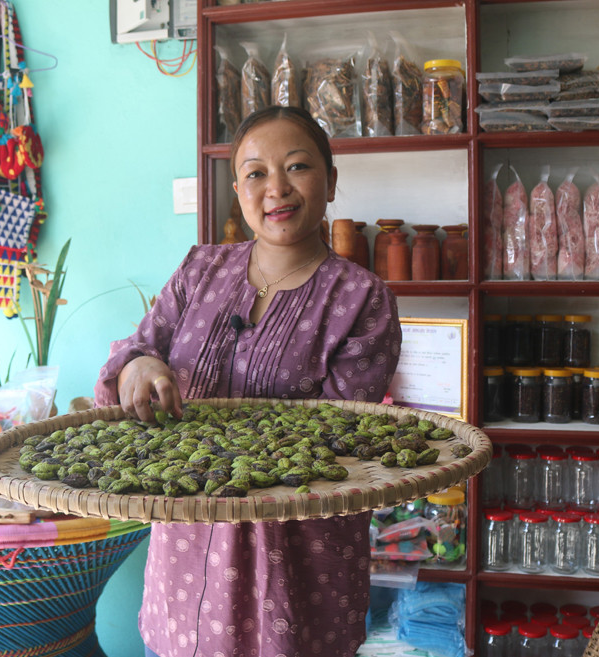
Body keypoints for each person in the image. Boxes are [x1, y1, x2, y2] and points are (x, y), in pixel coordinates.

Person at [94, 105, 402, 657]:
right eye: (256, 173)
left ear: (331, 182)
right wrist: (138, 367)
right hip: (186, 548)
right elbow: (142, 347)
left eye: (298, 167)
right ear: (238, 191)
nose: (276, 189)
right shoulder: (199, 270)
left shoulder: (362, 299)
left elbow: (338, 438)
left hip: (296, 554)